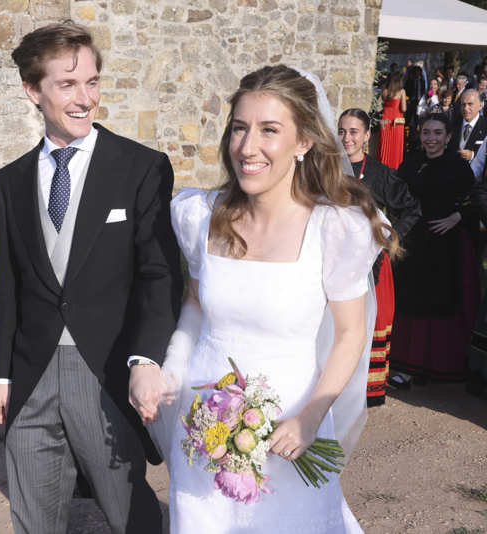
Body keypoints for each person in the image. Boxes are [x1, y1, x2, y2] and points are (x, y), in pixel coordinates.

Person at [146, 65, 398, 533]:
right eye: (240, 128)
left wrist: (310, 416)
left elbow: (349, 334)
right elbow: (196, 307)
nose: (247, 146)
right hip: (204, 430)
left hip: (292, 428)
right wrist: (173, 372)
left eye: (269, 130)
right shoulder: (202, 216)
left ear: (303, 142)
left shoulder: (334, 228)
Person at [0, 22, 182, 534]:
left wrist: (145, 359)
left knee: (129, 516)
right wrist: (2, 375)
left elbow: (159, 273)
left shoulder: (140, 168)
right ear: (33, 91)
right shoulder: (9, 181)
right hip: (30, 378)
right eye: (68, 84)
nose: (85, 99)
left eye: (92, 82)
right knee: (32, 519)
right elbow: (9, 279)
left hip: (103, 371)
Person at [338, 108, 421, 401]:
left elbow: (412, 208)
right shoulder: (327, 169)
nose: (347, 138)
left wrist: (388, 237)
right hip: (331, 262)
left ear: (367, 135)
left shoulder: (380, 174)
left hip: (367, 267)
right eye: (342, 131)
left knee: (358, 326)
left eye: (354, 132)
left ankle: (359, 388)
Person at [390, 114, 479, 384]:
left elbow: (474, 200)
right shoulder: (411, 164)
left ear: (448, 136)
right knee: (410, 300)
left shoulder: (458, 166)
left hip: (443, 246)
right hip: (412, 243)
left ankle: (432, 365)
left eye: (438, 133)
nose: (431, 138)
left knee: (437, 302)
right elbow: (396, 197)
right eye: (426, 132)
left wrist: (457, 217)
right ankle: (405, 366)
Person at [448, 89, 487, 163]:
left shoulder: (485, 126)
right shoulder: (453, 125)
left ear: (480, 105)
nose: (466, 108)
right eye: (463, 104)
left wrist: (473, 155)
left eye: (470, 104)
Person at [378, 72, 407, 170]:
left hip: (385, 119)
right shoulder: (402, 91)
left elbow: (379, 106)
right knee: (396, 146)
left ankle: (383, 166)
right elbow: (403, 108)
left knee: (385, 145)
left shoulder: (384, 90)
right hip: (396, 121)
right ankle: (395, 167)